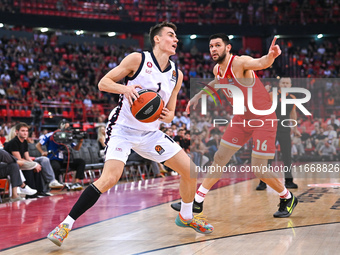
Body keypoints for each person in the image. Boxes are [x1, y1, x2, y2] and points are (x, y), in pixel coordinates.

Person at [47, 22, 213, 247]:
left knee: (190, 170)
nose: (176, 40)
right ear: (157, 39)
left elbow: (171, 112)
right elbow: (103, 83)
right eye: (171, 35)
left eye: (176, 37)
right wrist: (126, 89)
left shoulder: (177, 74)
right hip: (122, 129)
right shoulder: (137, 59)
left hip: (150, 133)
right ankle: (65, 225)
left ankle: (186, 216)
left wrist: (167, 116)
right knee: (109, 179)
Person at [171, 33, 298, 218]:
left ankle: (287, 197)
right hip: (242, 118)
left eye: (217, 45)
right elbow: (217, 81)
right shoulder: (217, 69)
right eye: (211, 46)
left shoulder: (239, 63)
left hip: (263, 118)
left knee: (259, 168)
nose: (213, 49)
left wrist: (271, 56)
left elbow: (261, 63)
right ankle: (197, 202)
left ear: (227, 47)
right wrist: (198, 96)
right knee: (220, 157)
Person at [256, 77, 300, 190]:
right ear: (279, 84)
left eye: (287, 83)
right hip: (270, 128)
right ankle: (263, 183)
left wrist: (295, 129)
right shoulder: (272, 94)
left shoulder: (292, 98)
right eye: (283, 83)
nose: (285, 84)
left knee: (287, 156)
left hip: (285, 130)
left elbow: (292, 114)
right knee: (267, 157)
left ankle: (289, 181)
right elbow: (259, 102)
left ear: (290, 85)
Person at [36, 120, 85, 191]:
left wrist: (80, 141)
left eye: (68, 127)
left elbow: (76, 148)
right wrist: (42, 152)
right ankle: (55, 184)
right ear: (61, 126)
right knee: (56, 166)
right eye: (66, 126)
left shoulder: (68, 136)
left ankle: (76, 183)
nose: (67, 129)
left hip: (66, 160)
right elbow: (38, 145)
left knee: (81, 162)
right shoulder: (51, 135)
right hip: (54, 159)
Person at [4, 122, 50, 197]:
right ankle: (31, 195)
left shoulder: (24, 142)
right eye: (23, 131)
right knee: (31, 168)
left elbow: (27, 157)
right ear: (17, 132)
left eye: (26, 131)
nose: (25, 133)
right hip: (11, 165)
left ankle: (39, 191)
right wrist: (33, 165)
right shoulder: (14, 142)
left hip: (19, 163)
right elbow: (18, 159)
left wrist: (35, 165)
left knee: (37, 167)